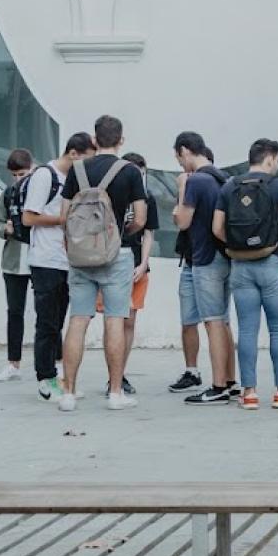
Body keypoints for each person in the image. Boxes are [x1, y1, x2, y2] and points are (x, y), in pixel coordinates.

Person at [57, 115, 148, 413]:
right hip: (117, 255)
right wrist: (121, 235)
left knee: (78, 320)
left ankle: (68, 394)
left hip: (81, 256)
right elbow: (142, 218)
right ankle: (116, 393)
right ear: (121, 140)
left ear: (94, 141)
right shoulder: (130, 172)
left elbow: (64, 216)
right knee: (115, 320)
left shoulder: (78, 169)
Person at [211, 138, 278, 410]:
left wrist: (236, 245)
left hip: (240, 266)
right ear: (271, 158)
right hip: (273, 262)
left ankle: (248, 393)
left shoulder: (229, 186)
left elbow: (217, 227)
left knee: (247, 330)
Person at [23, 132, 91, 401]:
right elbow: (29, 217)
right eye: (85, 159)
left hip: (66, 260)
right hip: (45, 260)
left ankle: (57, 376)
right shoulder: (45, 176)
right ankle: (45, 376)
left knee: (60, 321)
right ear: (73, 153)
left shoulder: (72, 179)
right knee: (47, 321)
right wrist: (64, 220)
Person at [172, 133, 238, 403]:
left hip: (205, 258)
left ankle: (218, 385)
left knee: (212, 323)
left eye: (178, 157)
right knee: (222, 322)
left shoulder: (197, 180)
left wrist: (181, 189)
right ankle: (231, 381)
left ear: (185, 151)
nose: (179, 163)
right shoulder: (223, 178)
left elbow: (182, 222)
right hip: (224, 256)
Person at [109, 152, 161, 396]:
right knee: (113, 320)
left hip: (137, 266)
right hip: (112, 261)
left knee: (129, 321)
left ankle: (121, 374)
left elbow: (149, 233)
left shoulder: (148, 198)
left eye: (141, 172)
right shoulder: (113, 194)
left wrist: (143, 264)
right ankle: (113, 377)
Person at [0, 149, 36, 383]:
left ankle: (54, 363)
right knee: (15, 312)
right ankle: (13, 363)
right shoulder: (7, 195)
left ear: (33, 169)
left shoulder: (41, 191)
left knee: (47, 313)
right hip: (13, 260)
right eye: (15, 175)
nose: (19, 179)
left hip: (40, 258)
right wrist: (4, 229)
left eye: (23, 174)